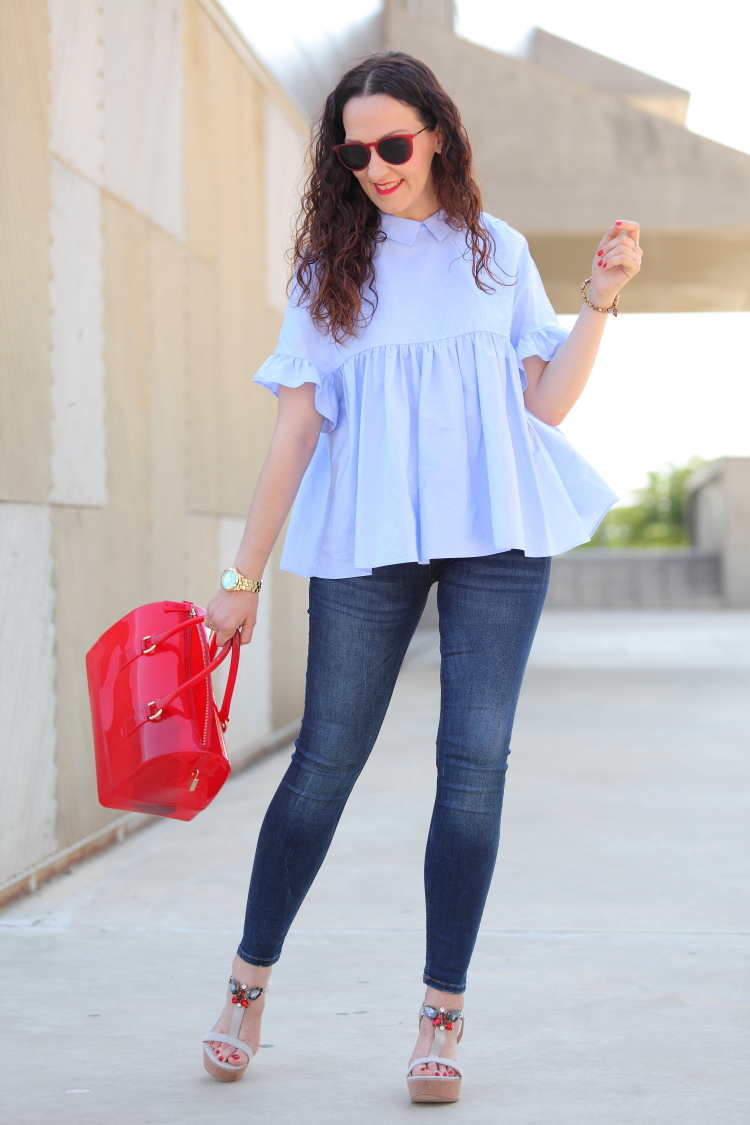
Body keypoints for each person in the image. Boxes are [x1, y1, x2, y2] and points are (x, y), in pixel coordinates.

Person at [200, 51, 642, 1103]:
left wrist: (599, 304)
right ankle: (246, 984)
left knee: (474, 766)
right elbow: (294, 435)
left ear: (438, 133)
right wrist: (241, 578)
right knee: (323, 763)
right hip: (367, 537)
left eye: (394, 144)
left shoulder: (498, 253)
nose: (376, 167)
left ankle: (441, 1017)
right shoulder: (329, 272)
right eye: (354, 152)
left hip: (497, 535)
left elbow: (543, 409)